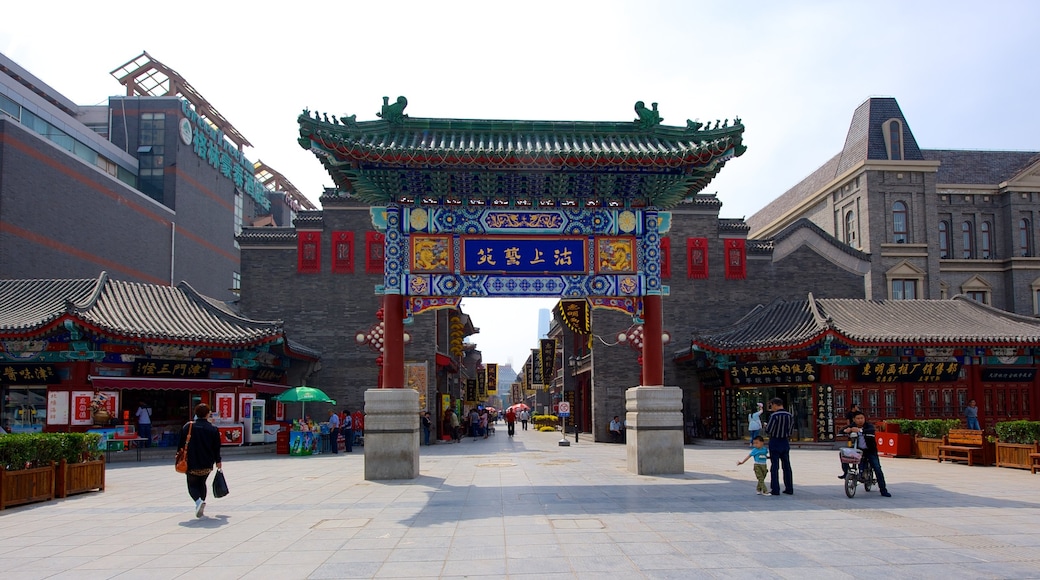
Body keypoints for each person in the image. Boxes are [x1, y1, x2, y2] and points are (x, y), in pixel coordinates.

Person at [177, 403, 222, 518]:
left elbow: (181, 443)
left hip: (191, 462)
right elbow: (216, 447)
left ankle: (198, 502)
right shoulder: (213, 429)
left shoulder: (188, 426)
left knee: (192, 485)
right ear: (208, 414)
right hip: (207, 462)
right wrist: (218, 461)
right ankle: (201, 502)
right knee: (202, 483)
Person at [843, 410, 892, 497]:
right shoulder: (852, 426)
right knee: (844, 456)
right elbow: (842, 430)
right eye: (858, 418)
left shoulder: (869, 426)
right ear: (854, 419)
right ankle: (846, 473)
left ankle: (883, 490)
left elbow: (870, 431)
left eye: (862, 418)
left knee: (877, 468)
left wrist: (859, 430)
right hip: (858, 451)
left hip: (870, 451)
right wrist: (848, 430)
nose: (860, 420)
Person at [763, 397, 794, 496]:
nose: (771, 408)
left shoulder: (774, 416)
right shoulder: (789, 415)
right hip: (785, 441)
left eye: (771, 405)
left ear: (775, 404)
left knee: (775, 466)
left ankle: (775, 489)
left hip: (775, 441)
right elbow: (791, 430)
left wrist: (765, 426)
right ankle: (789, 488)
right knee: (787, 466)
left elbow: (769, 430)